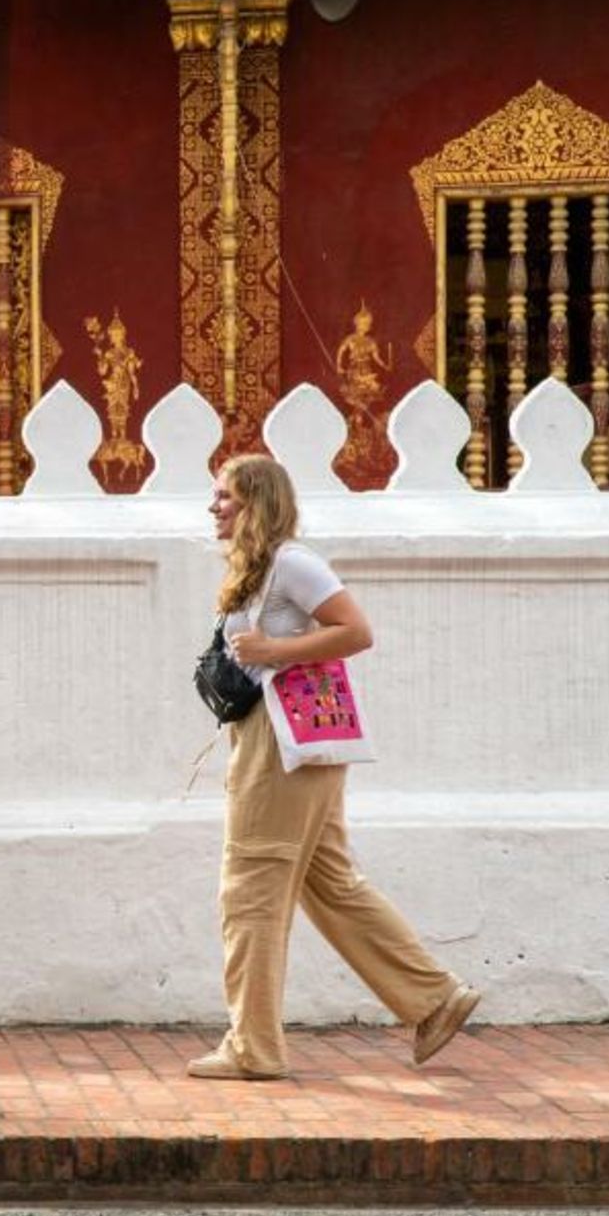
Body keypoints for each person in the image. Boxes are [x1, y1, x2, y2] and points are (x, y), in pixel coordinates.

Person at [193, 454, 480, 1080]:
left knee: (251, 886)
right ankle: (434, 999)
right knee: (330, 883)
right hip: (290, 742)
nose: (213, 507)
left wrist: (274, 649)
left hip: (282, 742)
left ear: (257, 502)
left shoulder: (293, 563)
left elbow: (355, 631)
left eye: (225, 497)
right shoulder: (259, 569)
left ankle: (253, 1048)